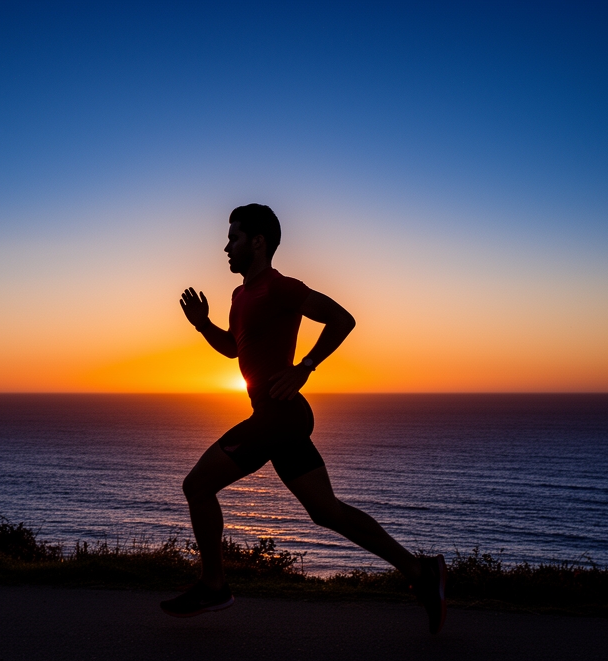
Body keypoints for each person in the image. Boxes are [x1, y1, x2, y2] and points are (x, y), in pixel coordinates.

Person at [160, 204, 447, 634]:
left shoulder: (280, 288)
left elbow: (342, 319)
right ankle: (423, 573)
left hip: (280, 418)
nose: (226, 246)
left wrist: (305, 365)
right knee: (326, 512)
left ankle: (215, 584)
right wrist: (203, 326)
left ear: (258, 242)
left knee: (196, 486)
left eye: (233, 238)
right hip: (278, 418)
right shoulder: (241, 296)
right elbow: (235, 350)